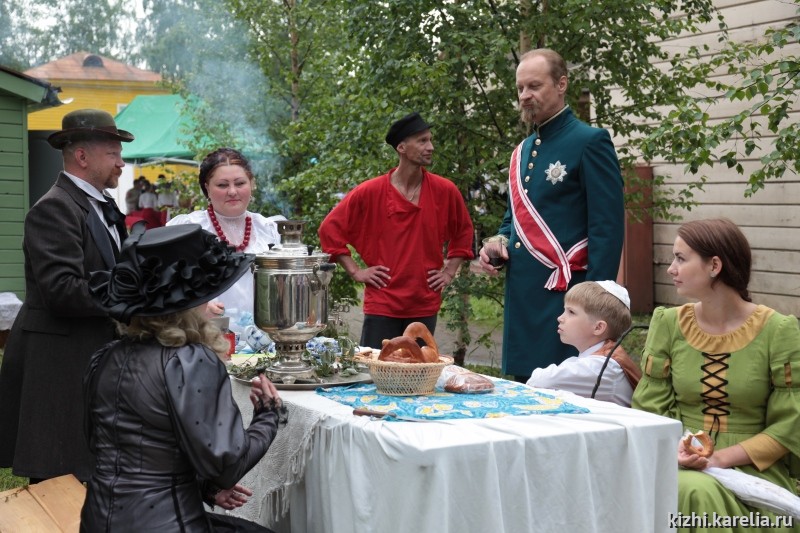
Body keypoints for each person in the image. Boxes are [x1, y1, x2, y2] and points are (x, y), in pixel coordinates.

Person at [82, 223, 285, 532]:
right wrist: (268, 416)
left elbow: (121, 451)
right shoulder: (189, 362)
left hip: (98, 521)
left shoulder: (105, 356)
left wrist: (206, 488)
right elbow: (227, 465)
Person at [632, 218, 800, 531]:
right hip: (678, 456)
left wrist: (720, 459)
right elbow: (649, 411)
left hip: (751, 466)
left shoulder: (778, 331)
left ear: (714, 266)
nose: (671, 268)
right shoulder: (667, 323)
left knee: (695, 491)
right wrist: (679, 452)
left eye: (681, 258)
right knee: (688, 488)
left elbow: (791, 425)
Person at [0, 108, 133, 482]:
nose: (121, 163)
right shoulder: (55, 207)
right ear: (82, 156)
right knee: (58, 482)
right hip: (57, 365)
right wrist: (134, 299)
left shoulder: (101, 206)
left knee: (89, 477)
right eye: (113, 153)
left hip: (87, 359)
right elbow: (62, 291)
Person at [479, 48, 625, 382]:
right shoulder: (522, 151)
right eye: (520, 88)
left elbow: (607, 228)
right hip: (523, 297)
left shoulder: (590, 141)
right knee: (522, 388)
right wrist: (496, 244)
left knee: (562, 393)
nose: (525, 96)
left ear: (561, 84)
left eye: (534, 86)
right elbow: (512, 220)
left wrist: (595, 303)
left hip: (568, 297)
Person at [318, 112, 475, 349]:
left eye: (430, 140)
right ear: (401, 147)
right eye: (422, 141)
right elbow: (329, 229)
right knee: (375, 375)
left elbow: (464, 231)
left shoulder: (445, 191)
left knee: (417, 375)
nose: (430, 147)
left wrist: (449, 271)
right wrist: (356, 271)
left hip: (423, 302)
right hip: (382, 303)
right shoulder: (370, 192)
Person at [167, 148, 284, 320]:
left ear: (252, 183)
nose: (232, 191)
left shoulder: (269, 229)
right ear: (207, 188)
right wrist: (194, 307)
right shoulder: (188, 229)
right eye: (222, 185)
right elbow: (167, 285)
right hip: (206, 335)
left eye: (240, 183)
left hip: (263, 335)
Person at [526, 280, 640, 407]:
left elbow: (541, 380)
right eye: (564, 310)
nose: (560, 318)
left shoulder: (603, 366)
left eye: (571, 312)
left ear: (598, 328)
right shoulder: (595, 360)